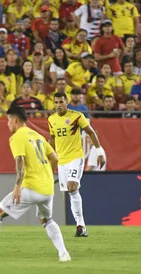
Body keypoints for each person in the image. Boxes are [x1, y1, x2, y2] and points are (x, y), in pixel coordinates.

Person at [0, 107, 71, 262]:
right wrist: (48, 173)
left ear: (15, 120)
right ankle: (63, 253)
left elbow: (20, 162)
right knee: (46, 220)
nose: (7, 124)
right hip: (48, 189)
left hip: (31, 187)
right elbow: (54, 157)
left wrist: (17, 187)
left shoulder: (17, 137)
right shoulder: (38, 136)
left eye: (8, 120)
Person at [48, 92, 105, 237]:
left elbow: (91, 132)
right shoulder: (51, 119)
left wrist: (99, 152)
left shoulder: (77, 116)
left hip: (75, 157)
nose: (58, 105)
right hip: (61, 160)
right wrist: (49, 158)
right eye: (56, 102)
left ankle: (81, 225)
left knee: (72, 186)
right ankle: (81, 227)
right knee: (71, 191)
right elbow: (52, 139)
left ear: (66, 102)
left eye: (61, 102)